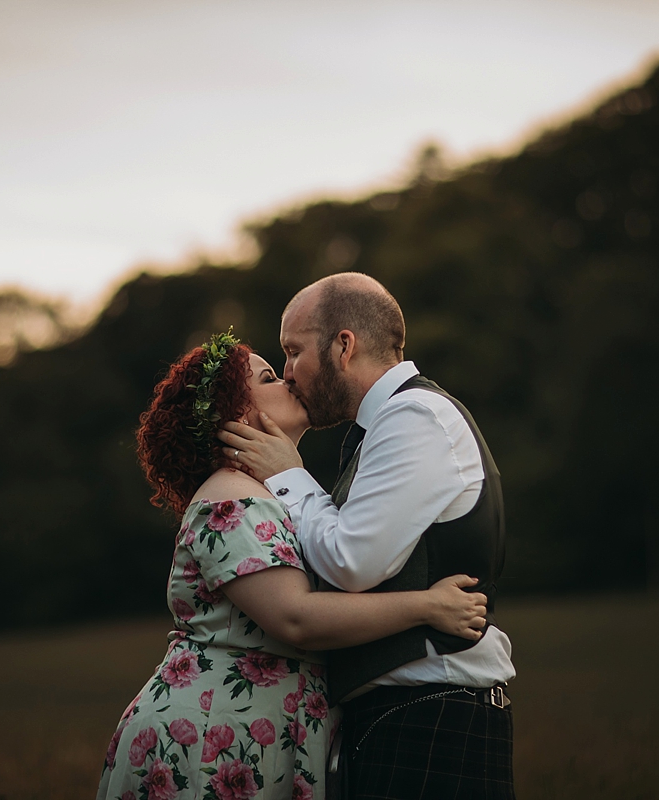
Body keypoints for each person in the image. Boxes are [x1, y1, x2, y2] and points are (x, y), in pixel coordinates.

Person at [96, 329, 490, 800]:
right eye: (268, 377)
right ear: (237, 413)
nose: (288, 377)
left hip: (260, 736)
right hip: (209, 738)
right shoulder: (232, 495)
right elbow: (295, 617)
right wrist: (427, 607)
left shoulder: (269, 495)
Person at [217, 273, 517, 800]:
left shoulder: (414, 417)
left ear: (344, 344)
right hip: (411, 712)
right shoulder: (386, 426)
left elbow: (353, 561)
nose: (288, 373)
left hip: (433, 716)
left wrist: (288, 473)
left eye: (293, 352)